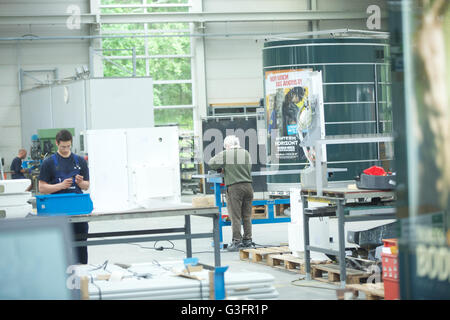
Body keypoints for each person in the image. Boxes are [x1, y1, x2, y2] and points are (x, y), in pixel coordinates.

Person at [38, 129, 90, 264]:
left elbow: (86, 186)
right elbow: (42, 187)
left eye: (68, 146)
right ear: (57, 144)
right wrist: (60, 186)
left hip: (78, 211)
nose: (66, 149)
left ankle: (82, 273)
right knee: (59, 248)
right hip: (57, 211)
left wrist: (80, 182)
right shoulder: (48, 163)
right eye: (63, 147)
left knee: (80, 245)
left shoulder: (80, 161)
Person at [208, 135, 254, 252]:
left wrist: (224, 166)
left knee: (235, 216)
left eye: (225, 146)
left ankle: (236, 241)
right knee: (247, 216)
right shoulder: (246, 153)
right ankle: (247, 240)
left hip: (235, 188)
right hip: (248, 186)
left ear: (228, 145)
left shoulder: (226, 153)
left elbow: (211, 163)